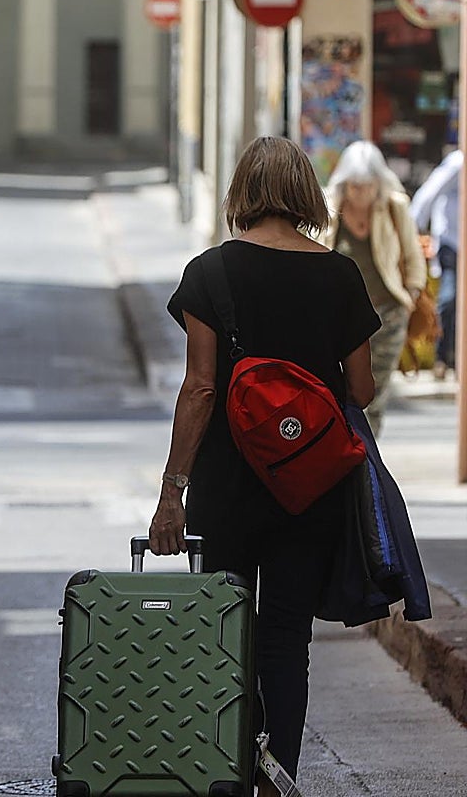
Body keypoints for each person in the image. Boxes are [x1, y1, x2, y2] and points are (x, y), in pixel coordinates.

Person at [149, 136, 379, 792]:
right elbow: (360, 390)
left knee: (226, 630)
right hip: (310, 486)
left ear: (239, 195)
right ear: (306, 194)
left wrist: (172, 493)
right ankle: (280, 774)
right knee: (286, 637)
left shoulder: (209, 274)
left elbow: (199, 387)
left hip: (227, 487)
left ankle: (226, 769)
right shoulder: (339, 275)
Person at [319, 140, 426, 435]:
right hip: (341, 319)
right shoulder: (329, 209)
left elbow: (412, 254)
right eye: (354, 186)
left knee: (375, 389)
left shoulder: (393, 207)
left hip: (387, 313)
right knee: (342, 388)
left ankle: (370, 451)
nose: (361, 193)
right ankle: (348, 445)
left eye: (367, 186)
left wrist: (412, 294)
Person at [410, 147, 461, 380]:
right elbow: (430, 191)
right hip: (453, 242)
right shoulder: (458, 162)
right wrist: (411, 227)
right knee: (449, 299)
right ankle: (443, 357)